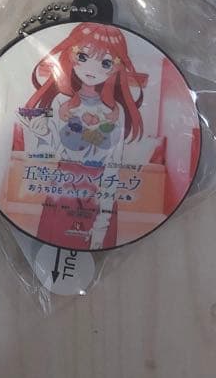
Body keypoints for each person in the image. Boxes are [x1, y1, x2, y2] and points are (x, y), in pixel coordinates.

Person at [13, 24, 147, 251]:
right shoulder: (60, 103)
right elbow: (49, 152)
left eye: (106, 63)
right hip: (63, 188)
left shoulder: (114, 113)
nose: (91, 69)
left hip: (100, 191)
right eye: (83, 57)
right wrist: (42, 133)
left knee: (95, 250)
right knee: (52, 245)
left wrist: (102, 222)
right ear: (70, 56)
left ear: (116, 68)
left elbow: (113, 165)